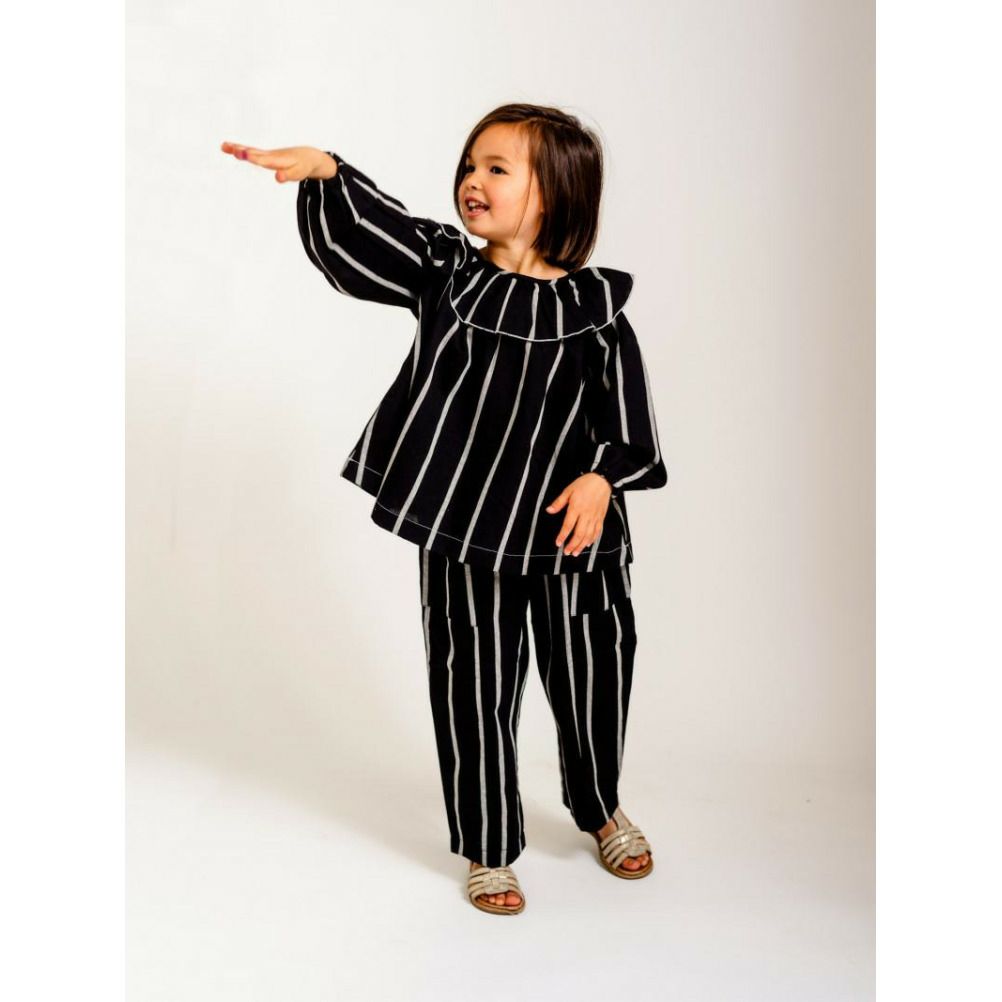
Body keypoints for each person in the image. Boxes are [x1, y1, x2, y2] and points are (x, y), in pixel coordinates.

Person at [220, 102, 668, 916]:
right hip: (465, 527)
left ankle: (599, 804)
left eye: (498, 168)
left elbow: (631, 427)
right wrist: (328, 172)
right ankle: (489, 844)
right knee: (471, 683)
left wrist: (603, 480)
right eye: (469, 164)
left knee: (595, 674)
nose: (472, 180)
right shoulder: (447, 274)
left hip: (574, 536)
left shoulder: (598, 311)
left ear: (554, 193)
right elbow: (378, 239)